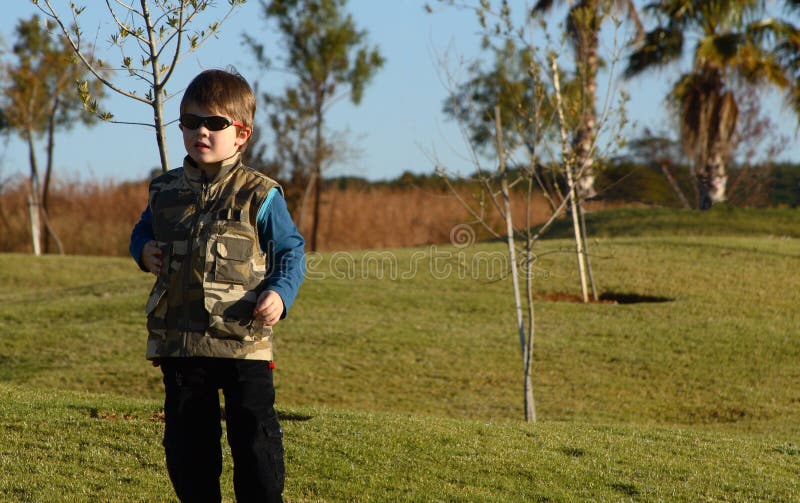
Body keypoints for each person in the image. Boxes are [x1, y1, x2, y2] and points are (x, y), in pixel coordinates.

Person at [129, 68, 305, 503]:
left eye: (214, 123)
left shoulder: (260, 195)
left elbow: (291, 252)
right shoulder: (164, 191)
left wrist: (279, 294)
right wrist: (142, 250)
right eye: (190, 122)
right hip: (181, 344)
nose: (200, 132)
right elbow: (142, 230)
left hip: (243, 344)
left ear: (241, 134)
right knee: (189, 453)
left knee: (255, 446)